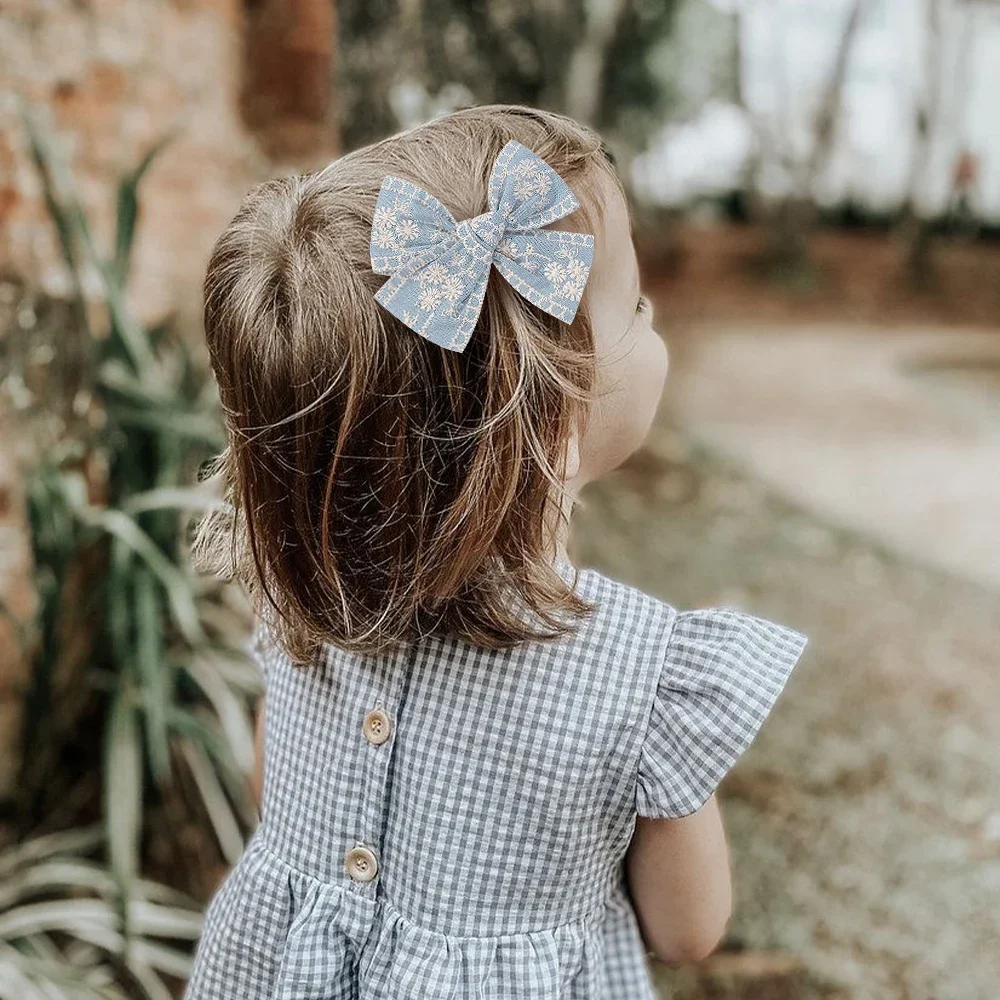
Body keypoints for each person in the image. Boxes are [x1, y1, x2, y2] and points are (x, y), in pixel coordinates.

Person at [186, 104, 807, 999]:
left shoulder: (303, 599)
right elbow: (689, 928)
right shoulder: (643, 674)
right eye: (632, 306)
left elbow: (269, 793)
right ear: (548, 408)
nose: (651, 313)